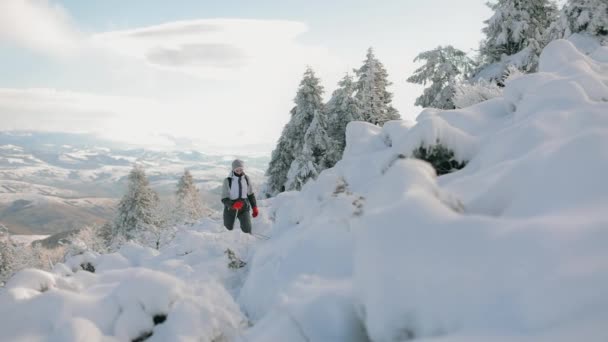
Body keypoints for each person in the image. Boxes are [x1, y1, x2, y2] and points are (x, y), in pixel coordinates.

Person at [221, 159, 259, 234]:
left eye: (240, 169)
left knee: (247, 230)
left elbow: (250, 194)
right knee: (228, 230)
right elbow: (224, 198)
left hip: (243, 208)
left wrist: (254, 207)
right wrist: (233, 205)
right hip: (230, 210)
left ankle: (248, 242)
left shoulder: (246, 179)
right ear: (233, 169)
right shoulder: (228, 181)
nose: (239, 171)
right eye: (236, 170)